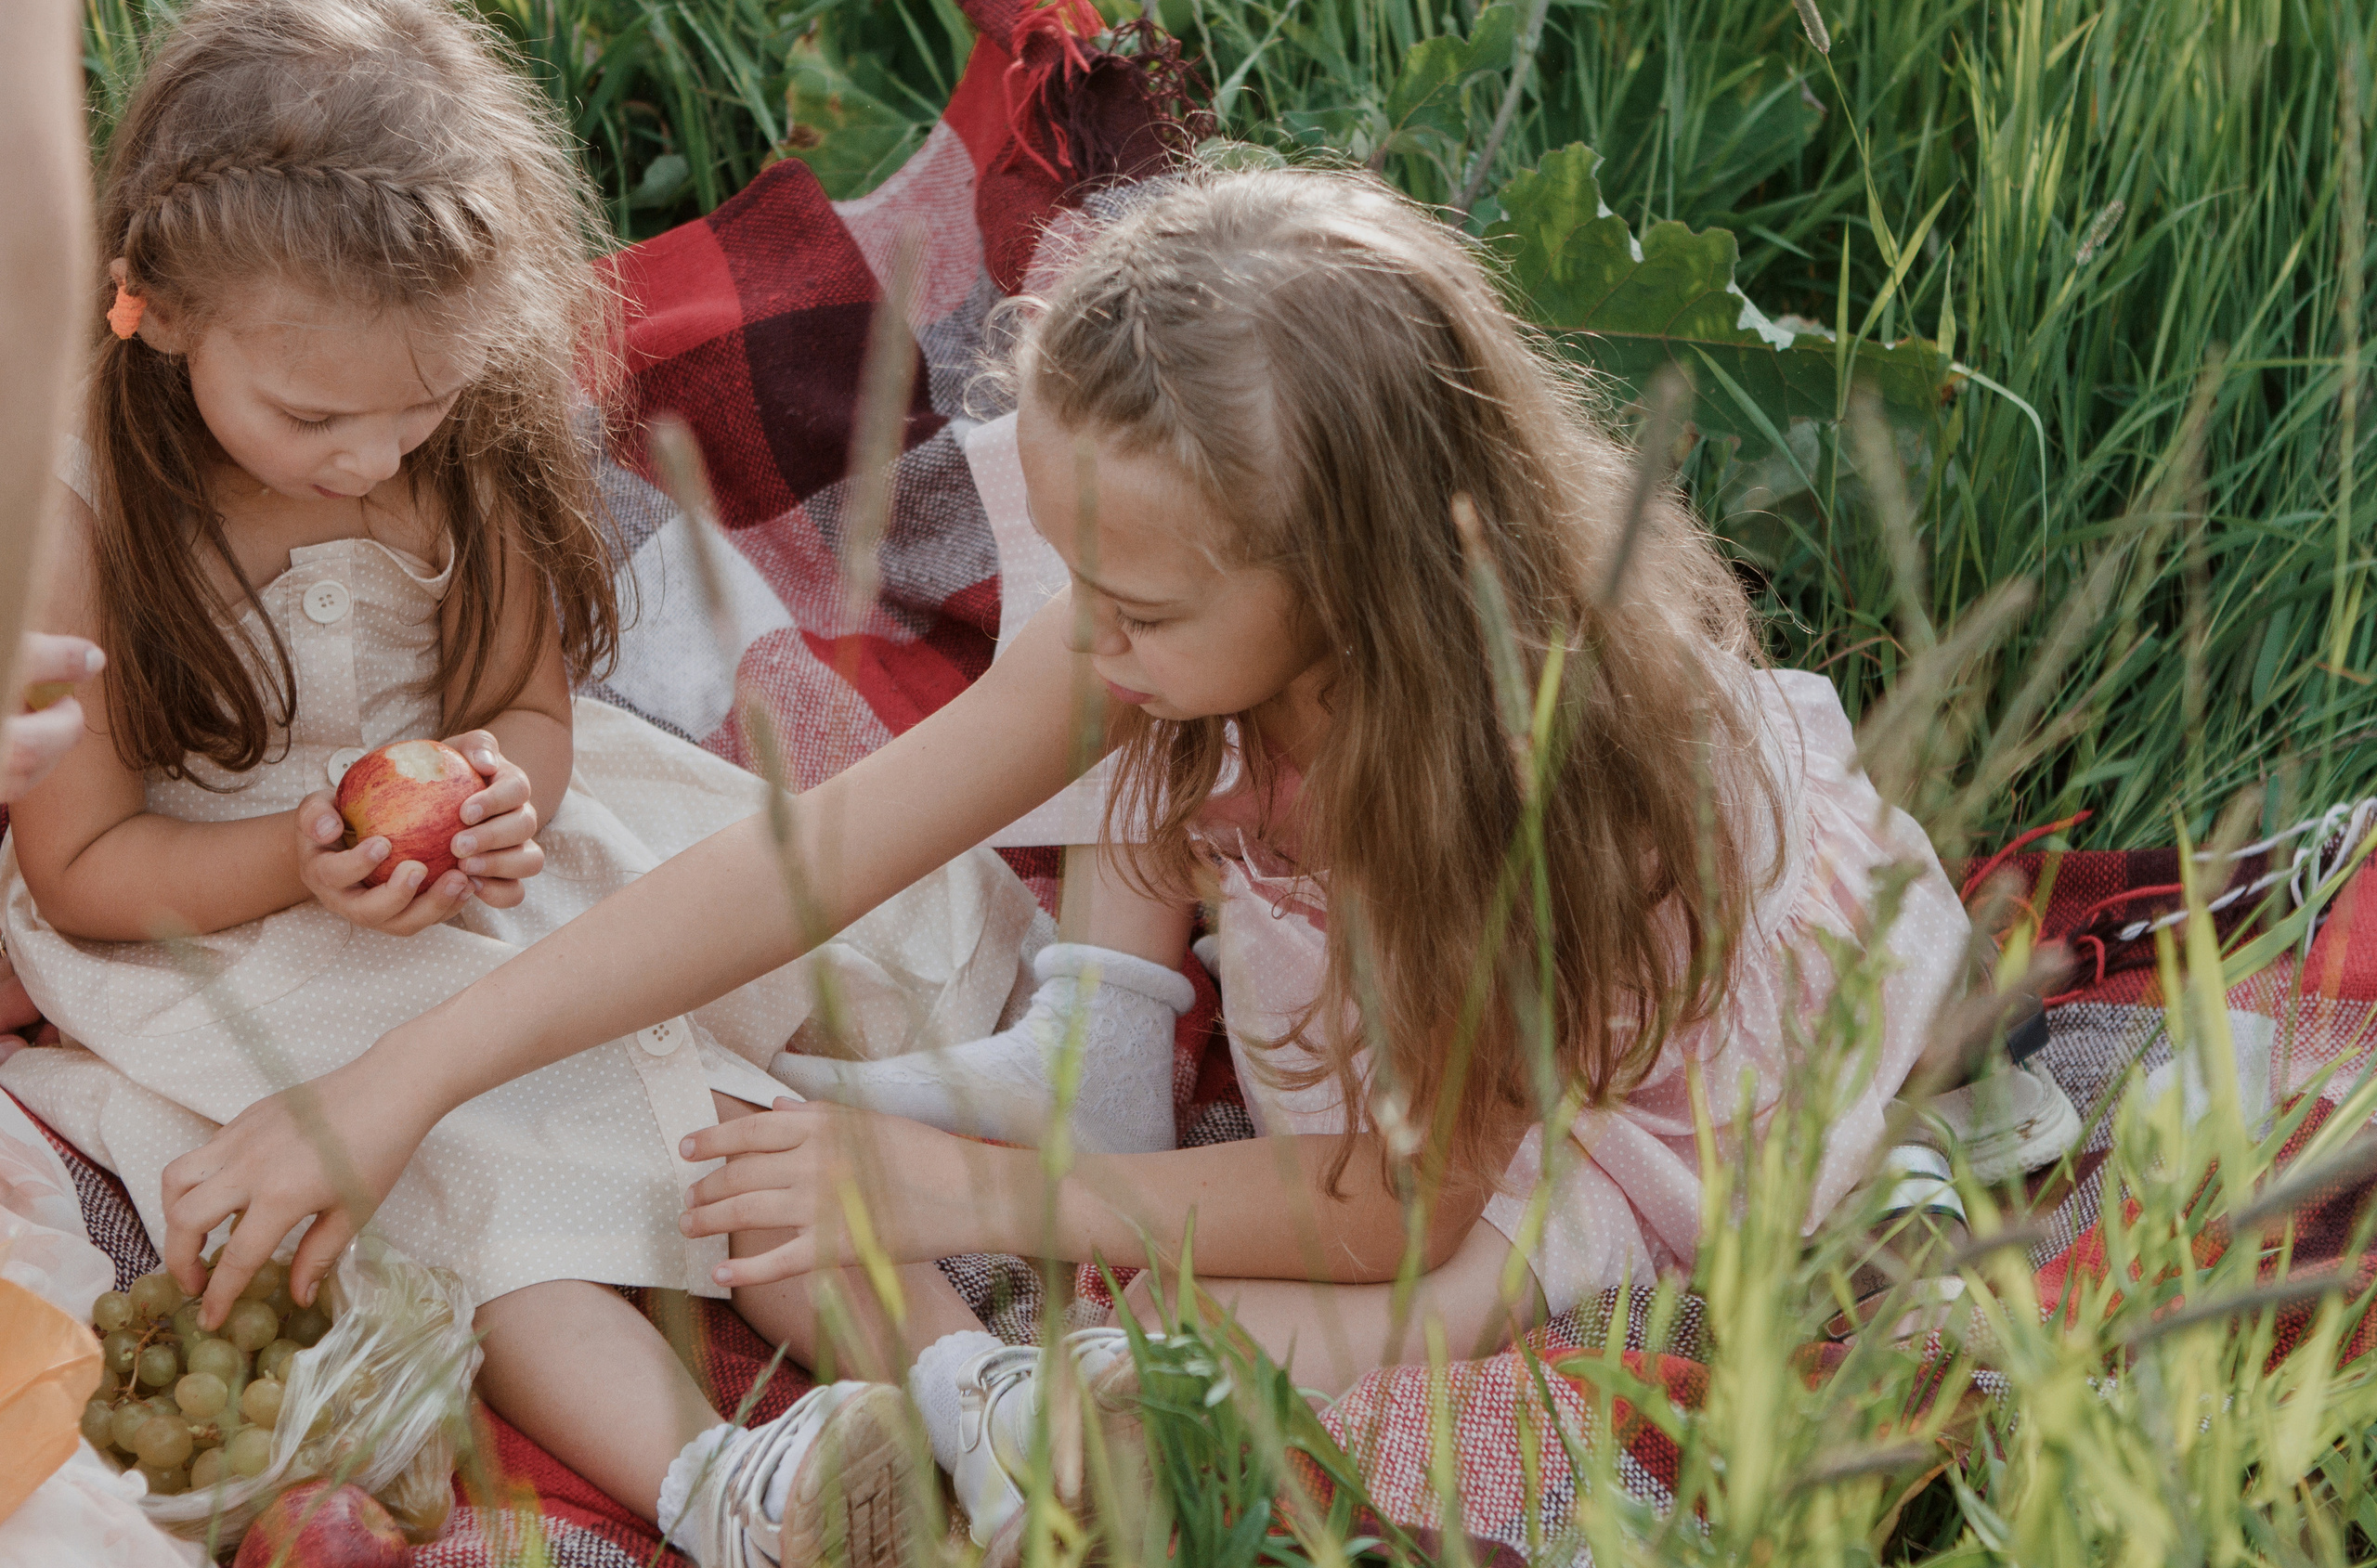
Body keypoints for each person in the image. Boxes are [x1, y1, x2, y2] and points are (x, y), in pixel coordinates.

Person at [159, 166, 1971, 1565]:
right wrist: (410, 1069)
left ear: (1351, 593)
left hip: (1592, 1075)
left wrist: (959, 1189)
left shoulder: (1494, 777)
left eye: (1142, 598)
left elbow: (1384, 1202)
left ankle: (1055, 1356)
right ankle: (1099, 1057)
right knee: (1140, 726)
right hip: (1334, 945)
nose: (1076, 633)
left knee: (1424, 1300)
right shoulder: (1151, 641)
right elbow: (800, 869)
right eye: (1078, 574)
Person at [0, 3, 1059, 1560]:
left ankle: (982, 1394)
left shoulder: (468, 440)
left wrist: (506, 788)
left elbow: (517, 712)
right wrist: (291, 865)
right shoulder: (84, 502)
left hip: (466, 873)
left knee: (688, 1085)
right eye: (313, 416)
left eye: (413, 408)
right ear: (149, 309)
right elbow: (83, 861)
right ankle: (717, 1487)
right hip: (209, 904)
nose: (371, 456)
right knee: (466, 1164)